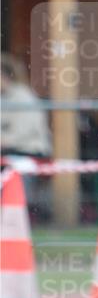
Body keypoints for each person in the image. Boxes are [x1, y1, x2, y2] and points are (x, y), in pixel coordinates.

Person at [1, 53, 52, 219]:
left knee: (14, 166)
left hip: (29, 151)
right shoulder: (4, 97)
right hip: (8, 151)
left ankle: (19, 212)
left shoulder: (23, 97)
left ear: (5, 76)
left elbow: (20, 135)